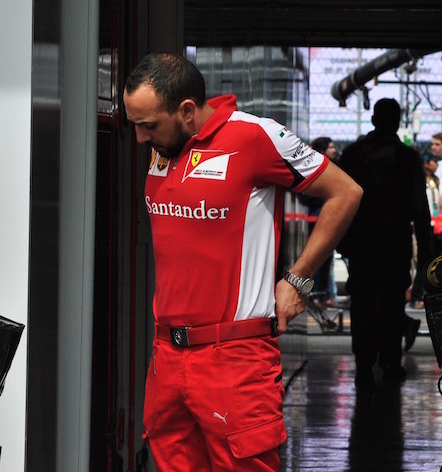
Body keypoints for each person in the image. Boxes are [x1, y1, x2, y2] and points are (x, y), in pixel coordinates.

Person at [123, 52, 362, 472]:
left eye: (149, 125)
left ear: (186, 110)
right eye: (136, 126)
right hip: (167, 356)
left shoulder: (254, 136)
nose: (141, 138)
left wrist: (298, 279)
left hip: (234, 356)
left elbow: (345, 192)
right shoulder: (164, 146)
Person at [337, 98, 433, 386]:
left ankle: (363, 364)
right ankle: (390, 361)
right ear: (398, 121)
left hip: (362, 243)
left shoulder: (353, 154)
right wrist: (426, 253)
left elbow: (339, 201)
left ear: (373, 119)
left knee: (362, 303)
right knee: (392, 302)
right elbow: (419, 207)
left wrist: (342, 242)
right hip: (395, 242)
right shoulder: (408, 157)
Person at [303, 136, 340, 307]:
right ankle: (316, 294)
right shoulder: (317, 168)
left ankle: (323, 294)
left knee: (327, 260)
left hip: (326, 219)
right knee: (317, 259)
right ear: (323, 150)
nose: (334, 150)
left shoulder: (333, 167)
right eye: (331, 147)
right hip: (316, 219)